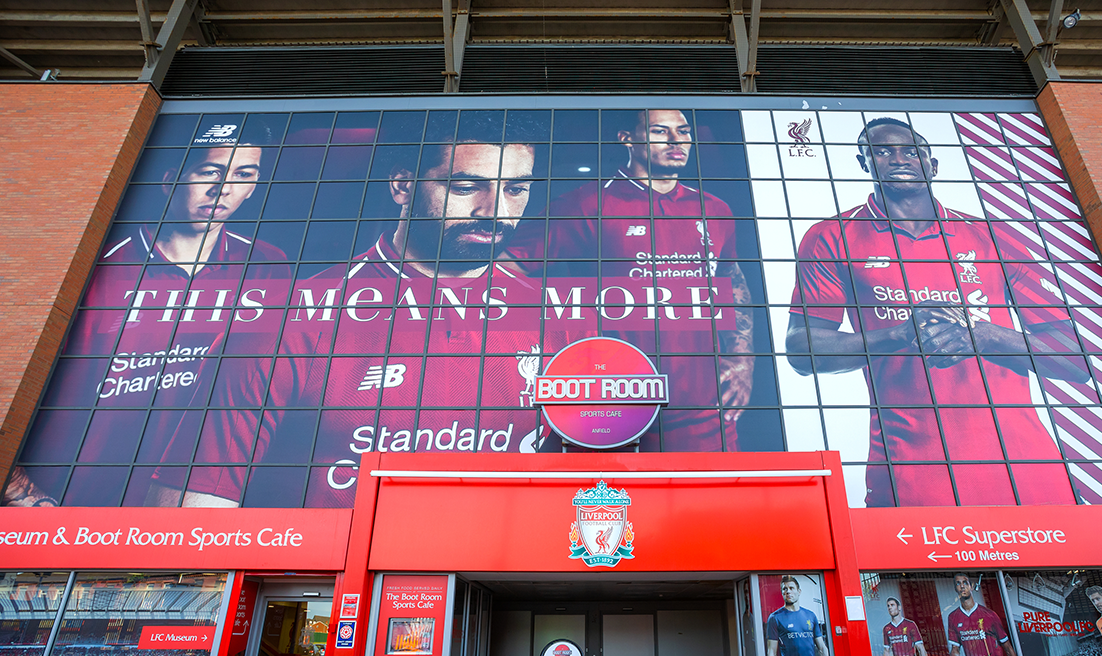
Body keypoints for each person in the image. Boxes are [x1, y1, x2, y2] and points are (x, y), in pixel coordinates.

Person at [149, 112, 566, 507]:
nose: (494, 211)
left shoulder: (555, 317)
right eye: (464, 187)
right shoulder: (291, 317)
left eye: (515, 189)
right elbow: (196, 507)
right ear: (403, 186)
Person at [784, 116, 1090, 507]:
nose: (899, 159)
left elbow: (1075, 360)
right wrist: (901, 333)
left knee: (1065, 569)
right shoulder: (830, 237)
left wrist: (982, 334)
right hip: (911, 469)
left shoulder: (993, 235)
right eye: (882, 152)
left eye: (912, 151)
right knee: (922, 571)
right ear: (864, 164)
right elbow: (803, 350)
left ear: (933, 165)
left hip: (1026, 466)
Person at [5, 125, 286, 507]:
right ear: (171, 181)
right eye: (210, 172)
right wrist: (27, 498)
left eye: (244, 175)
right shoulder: (96, 263)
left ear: (254, 187)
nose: (224, 189)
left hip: (188, 512)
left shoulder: (269, 265)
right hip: (69, 508)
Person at [505, 109, 754, 452]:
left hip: (702, 407)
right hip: (612, 398)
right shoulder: (588, 203)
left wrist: (742, 361)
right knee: (616, 503)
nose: (675, 140)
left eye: (682, 131)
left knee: (708, 504)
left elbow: (730, 279)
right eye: (659, 131)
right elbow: (506, 269)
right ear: (627, 139)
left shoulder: (715, 209)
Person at [944, 572, 1021, 656]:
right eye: (958, 583)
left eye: (965, 583)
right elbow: (955, 649)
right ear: (955, 589)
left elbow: (1007, 647)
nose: (962, 586)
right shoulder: (953, 617)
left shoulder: (989, 615)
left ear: (972, 586)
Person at [766, 575, 830, 656]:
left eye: (791, 588)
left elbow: (822, 649)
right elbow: (771, 652)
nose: (787, 591)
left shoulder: (810, 616)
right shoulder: (775, 618)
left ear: (799, 591)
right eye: (784, 589)